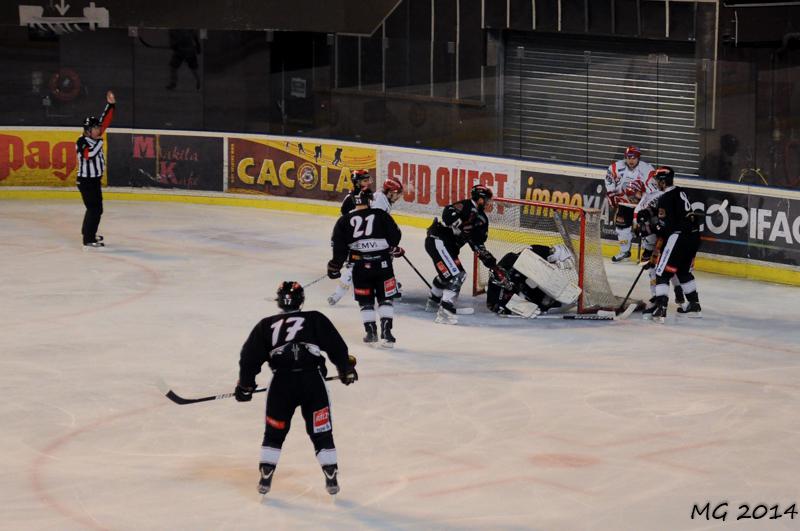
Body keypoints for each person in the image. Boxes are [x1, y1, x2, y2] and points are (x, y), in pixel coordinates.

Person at [234, 281, 358, 496]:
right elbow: (336, 345)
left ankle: (266, 473)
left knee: (274, 434)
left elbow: (249, 358)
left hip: (281, 384)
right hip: (313, 382)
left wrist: (246, 385)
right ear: (301, 300)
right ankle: (330, 472)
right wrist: (345, 369)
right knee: (321, 432)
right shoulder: (315, 318)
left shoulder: (265, 325)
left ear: (279, 301)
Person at [328, 188, 403, 347]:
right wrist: (390, 246)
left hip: (360, 266)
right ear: (370, 200)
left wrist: (334, 266)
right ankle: (387, 333)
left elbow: (339, 247)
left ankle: (371, 332)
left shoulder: (345, 220)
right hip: (383, 264)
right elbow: (395, 236)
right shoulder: (382, 215)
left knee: (366, 301)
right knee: (385, 298)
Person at [424, 184, 500, 325]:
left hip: (447, 246)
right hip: (438, 241)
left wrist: (488, 259)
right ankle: (445, 311)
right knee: (458, 274)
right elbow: (447, 214)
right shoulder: (464, 206)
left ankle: (433, 302)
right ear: (479, 199)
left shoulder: (482, 219)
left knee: (446, 275)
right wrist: (460, 224)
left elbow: (477, 243)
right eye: (487, 200)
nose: (490, 203)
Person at [647, 166, 703, 322]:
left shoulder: (665, 198)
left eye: (658, 180)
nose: (657, 183)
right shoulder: (680, 191)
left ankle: (660, 309)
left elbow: (665, 228)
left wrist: (650, 227)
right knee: (683, 271)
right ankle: (694, 305)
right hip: (693, 237)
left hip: (678, 237)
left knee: (662, 272)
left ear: (663, 181)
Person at [486, 244, 575, 317]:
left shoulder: (513, 259)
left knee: (531, 274)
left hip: (520, 275)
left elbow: (529, 251)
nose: (506, 283)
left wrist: (553, 252)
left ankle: (546, 297)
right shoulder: (496, 289)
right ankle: (542, 301)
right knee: (524, 287)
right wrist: (509, 308)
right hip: (516, 284)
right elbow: (494, 305)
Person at [328, 170, 375, 306]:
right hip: (350, 239)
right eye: (364, 181)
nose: (367, 183)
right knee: (353, 267)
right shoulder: (350, 198)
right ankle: (337, 294)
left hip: (362, 238)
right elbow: (345, 218)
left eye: (368, 180)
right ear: (357, 182)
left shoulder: (368, 195)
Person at [76, 90, 115, 248]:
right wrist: (100, 143)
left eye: (98, 128)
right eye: (95, 128)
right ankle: (88, 239)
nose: (99, 130)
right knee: (94, 209)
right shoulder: (82, 141)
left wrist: (111, 104)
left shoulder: (95, 136)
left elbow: (106, 119)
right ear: (87, 131)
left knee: (96, 209)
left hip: (94, 180)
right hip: (86, 181)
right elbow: (88, 155)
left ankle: (88, 233)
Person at [605, 146, 655, 262]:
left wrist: (641, 195)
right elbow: (609, 183)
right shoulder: (615, 167)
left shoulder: (648, 169)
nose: (631, 161)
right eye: (628, 158)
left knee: (646, 229)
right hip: (625, 204)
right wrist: (612, 195)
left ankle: (648, 253)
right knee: (621, 229)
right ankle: (624, 252)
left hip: (642, 205)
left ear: (638, 158)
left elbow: (653, 190)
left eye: (634, 158)